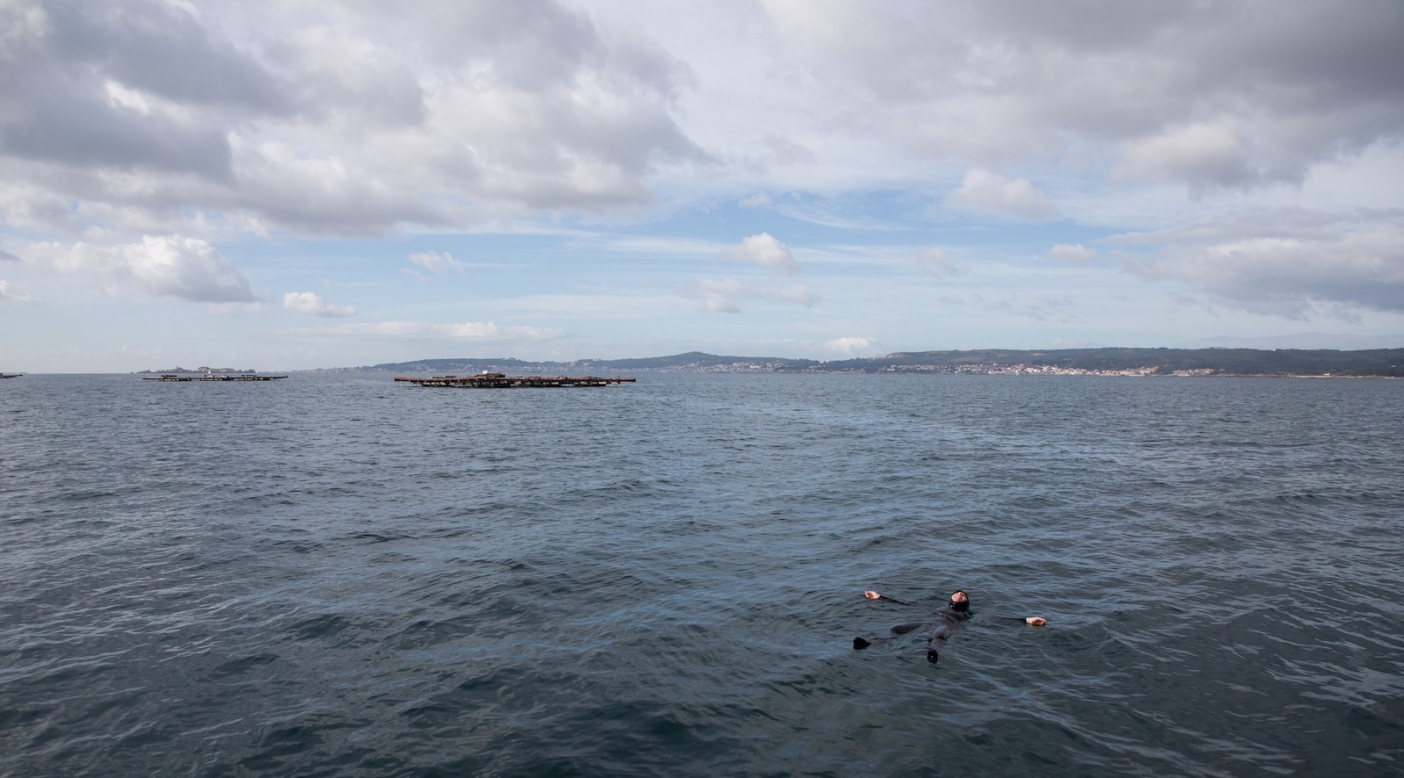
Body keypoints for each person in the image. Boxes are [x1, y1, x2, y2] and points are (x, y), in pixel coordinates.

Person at [852, 589, 1046, 663]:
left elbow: (996, 619)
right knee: (897, 629)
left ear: (965, 603)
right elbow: (907, 604)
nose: (960, 593)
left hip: (947, 625)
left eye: (964, 594)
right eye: (958, 592)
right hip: (926, 621)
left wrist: (1025, 620)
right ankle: (869, 644)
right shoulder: (935, 608)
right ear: (950, 600)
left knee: (938, 637)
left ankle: (932, 652)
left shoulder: (967, 615)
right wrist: (881, 597)